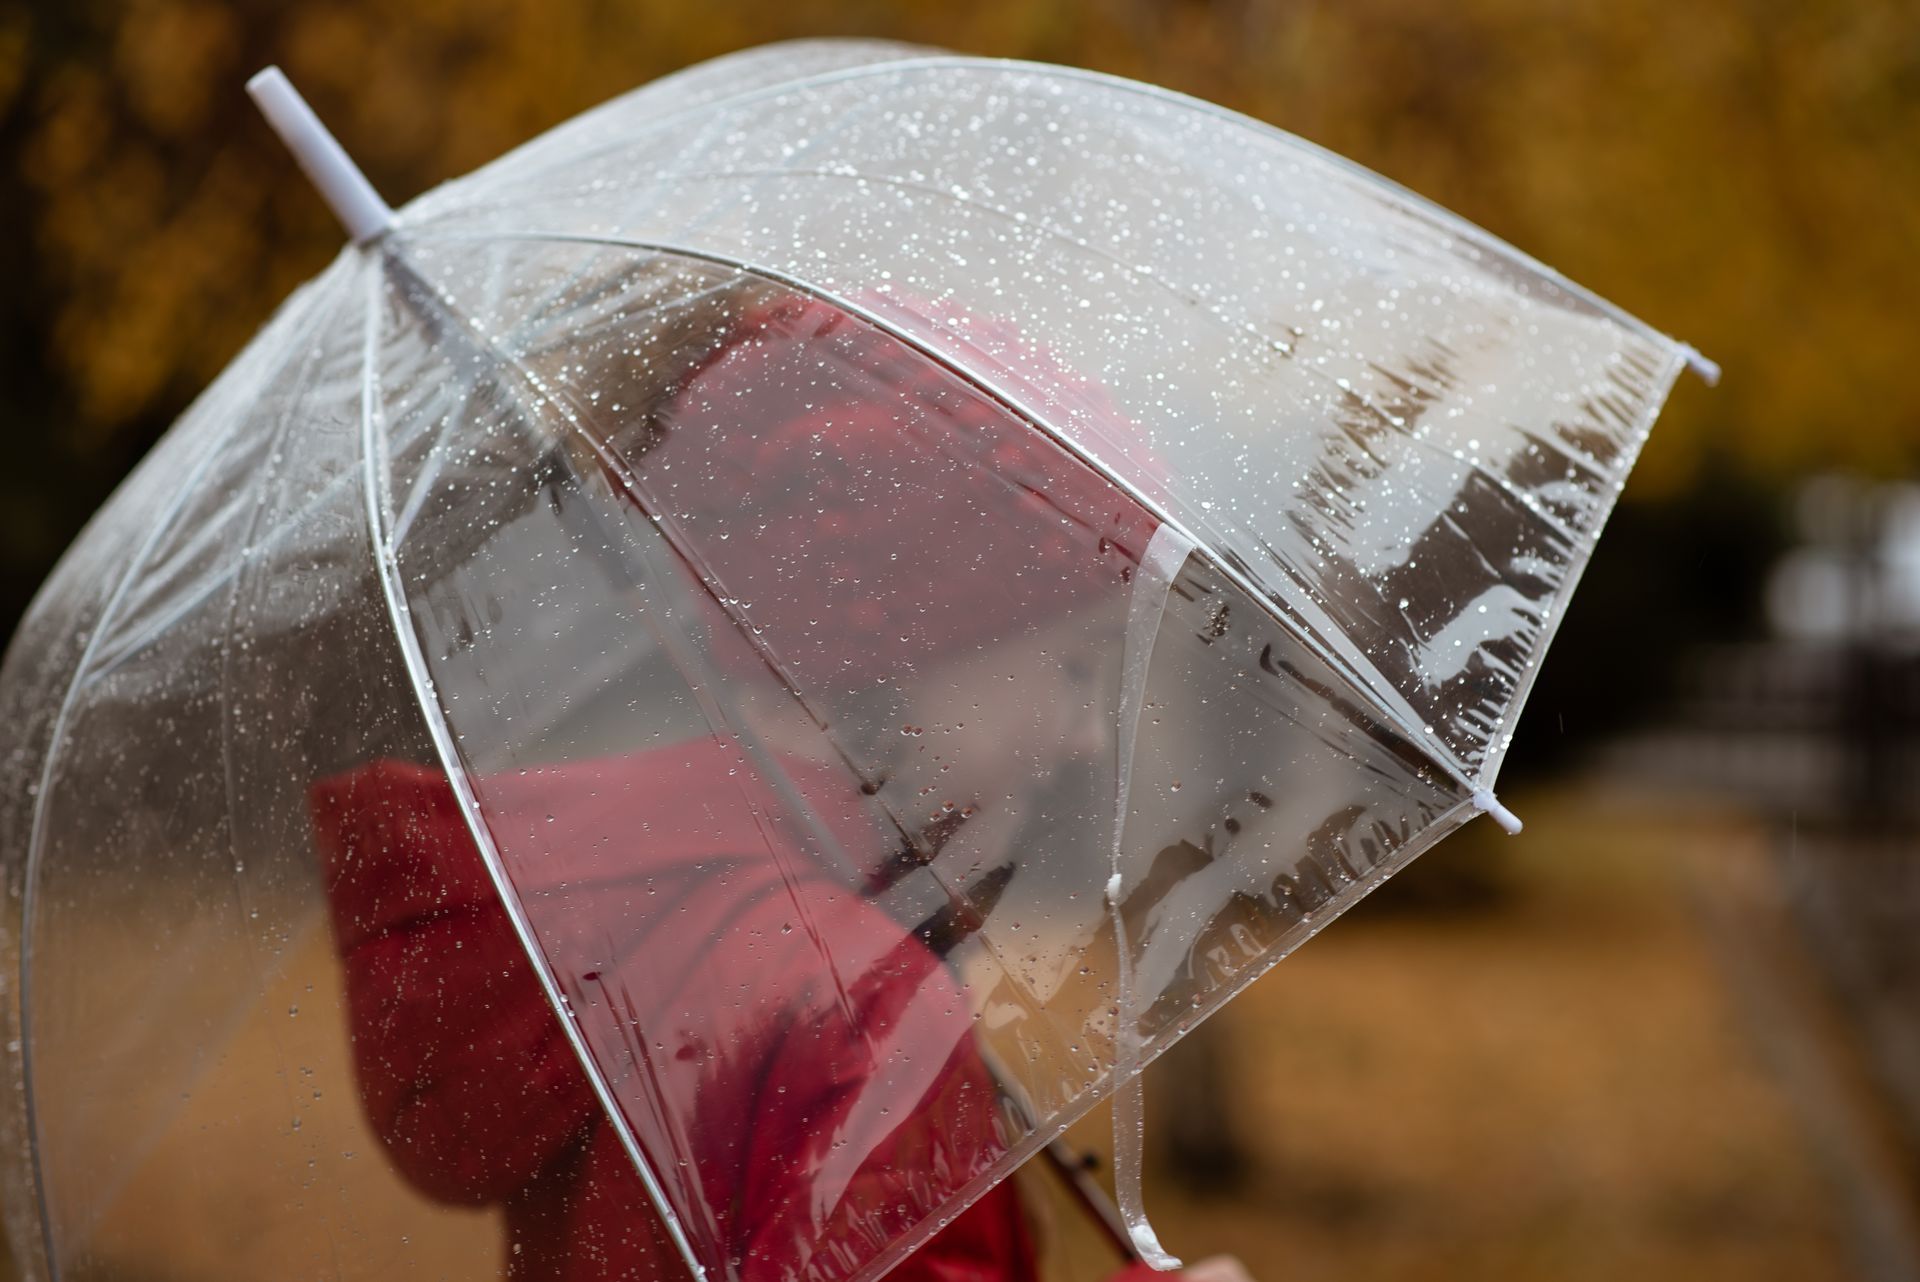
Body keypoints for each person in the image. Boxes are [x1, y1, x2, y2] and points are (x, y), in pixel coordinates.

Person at [310, 284, 1247, 1282]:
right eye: (1072, 667)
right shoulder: (863, 1007)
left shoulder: (647, 925)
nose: (1084, 736)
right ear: (905, 639)